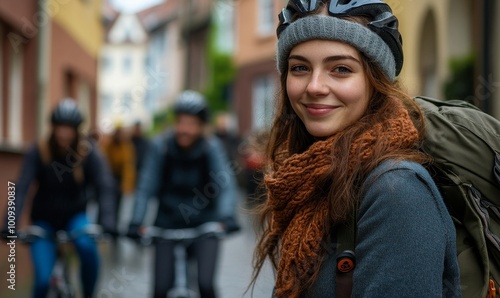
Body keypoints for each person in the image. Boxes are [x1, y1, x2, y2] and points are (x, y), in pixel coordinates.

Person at [250, 1, 461, 297]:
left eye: (340, 69)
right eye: (300, 67)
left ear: (375, 82)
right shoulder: (310, 180)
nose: (314, 86)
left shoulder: (395, 191)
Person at [127, 90, 240, 298]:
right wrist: (136, 221)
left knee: (205, 285)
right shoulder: (160, 147)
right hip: (166, 224)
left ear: (201, 126)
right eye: (180, 122)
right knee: (159, 290)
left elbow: (225, 184)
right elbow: (146, 186)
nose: (184, 129)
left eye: (191, 123)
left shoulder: (211, 147)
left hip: (205, 224)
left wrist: (227, 216)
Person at [2, 99, 116, 298]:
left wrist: (107, 222)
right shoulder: (39, 151)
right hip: (43, 222)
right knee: (42, 280)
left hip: (75, 218)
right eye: (60, 128)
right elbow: (20, 187)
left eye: (69, 129)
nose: (64, 133)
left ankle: (89, 293)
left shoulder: (86, 152)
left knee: (87, 248)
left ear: (77, 130)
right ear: (53, 128)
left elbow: (105, 185)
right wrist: (9, 223)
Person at [101, 124, 136, 231]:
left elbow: (128, 166)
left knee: (118, 206)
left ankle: (114, 228)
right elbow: (103, 161)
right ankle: (103, 226)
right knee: (105, 203)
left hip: (119, 180)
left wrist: (127, 185)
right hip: (109, 178)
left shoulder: (127, 146)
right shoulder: (108, 144)